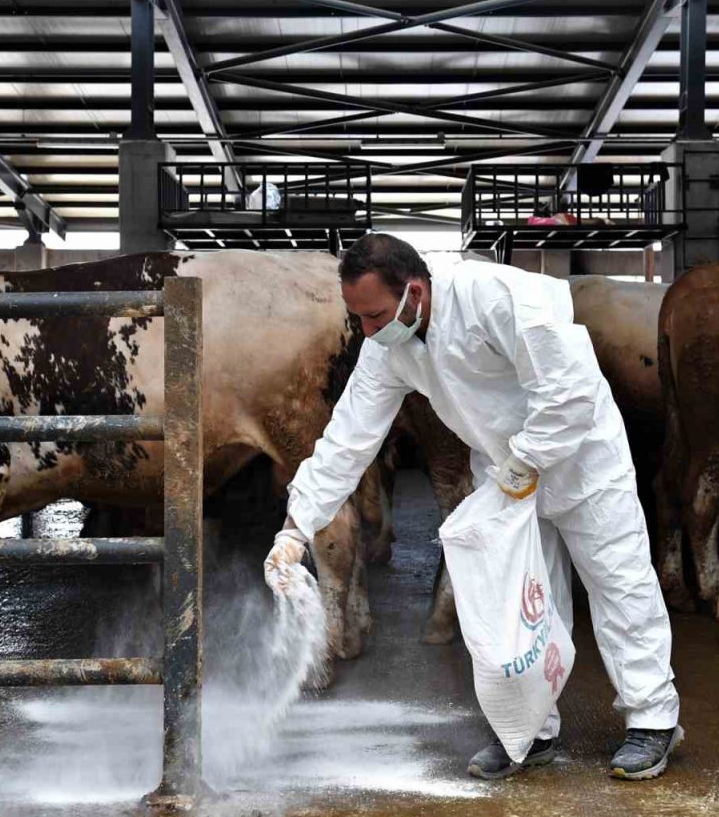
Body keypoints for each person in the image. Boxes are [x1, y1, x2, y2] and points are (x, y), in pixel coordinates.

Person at [264, 235, 682, 781]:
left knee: (617, 582)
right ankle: (528, 731)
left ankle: (652, 718)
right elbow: (348, 439)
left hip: (582, 460)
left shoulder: (500, 297)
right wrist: (297, 527)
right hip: (505, 476)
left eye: (375, 315)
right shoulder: (387, 346)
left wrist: (527, 459)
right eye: (359, 318)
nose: (367, 330)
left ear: (415, 291)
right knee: (519, 599)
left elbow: (571, 392)